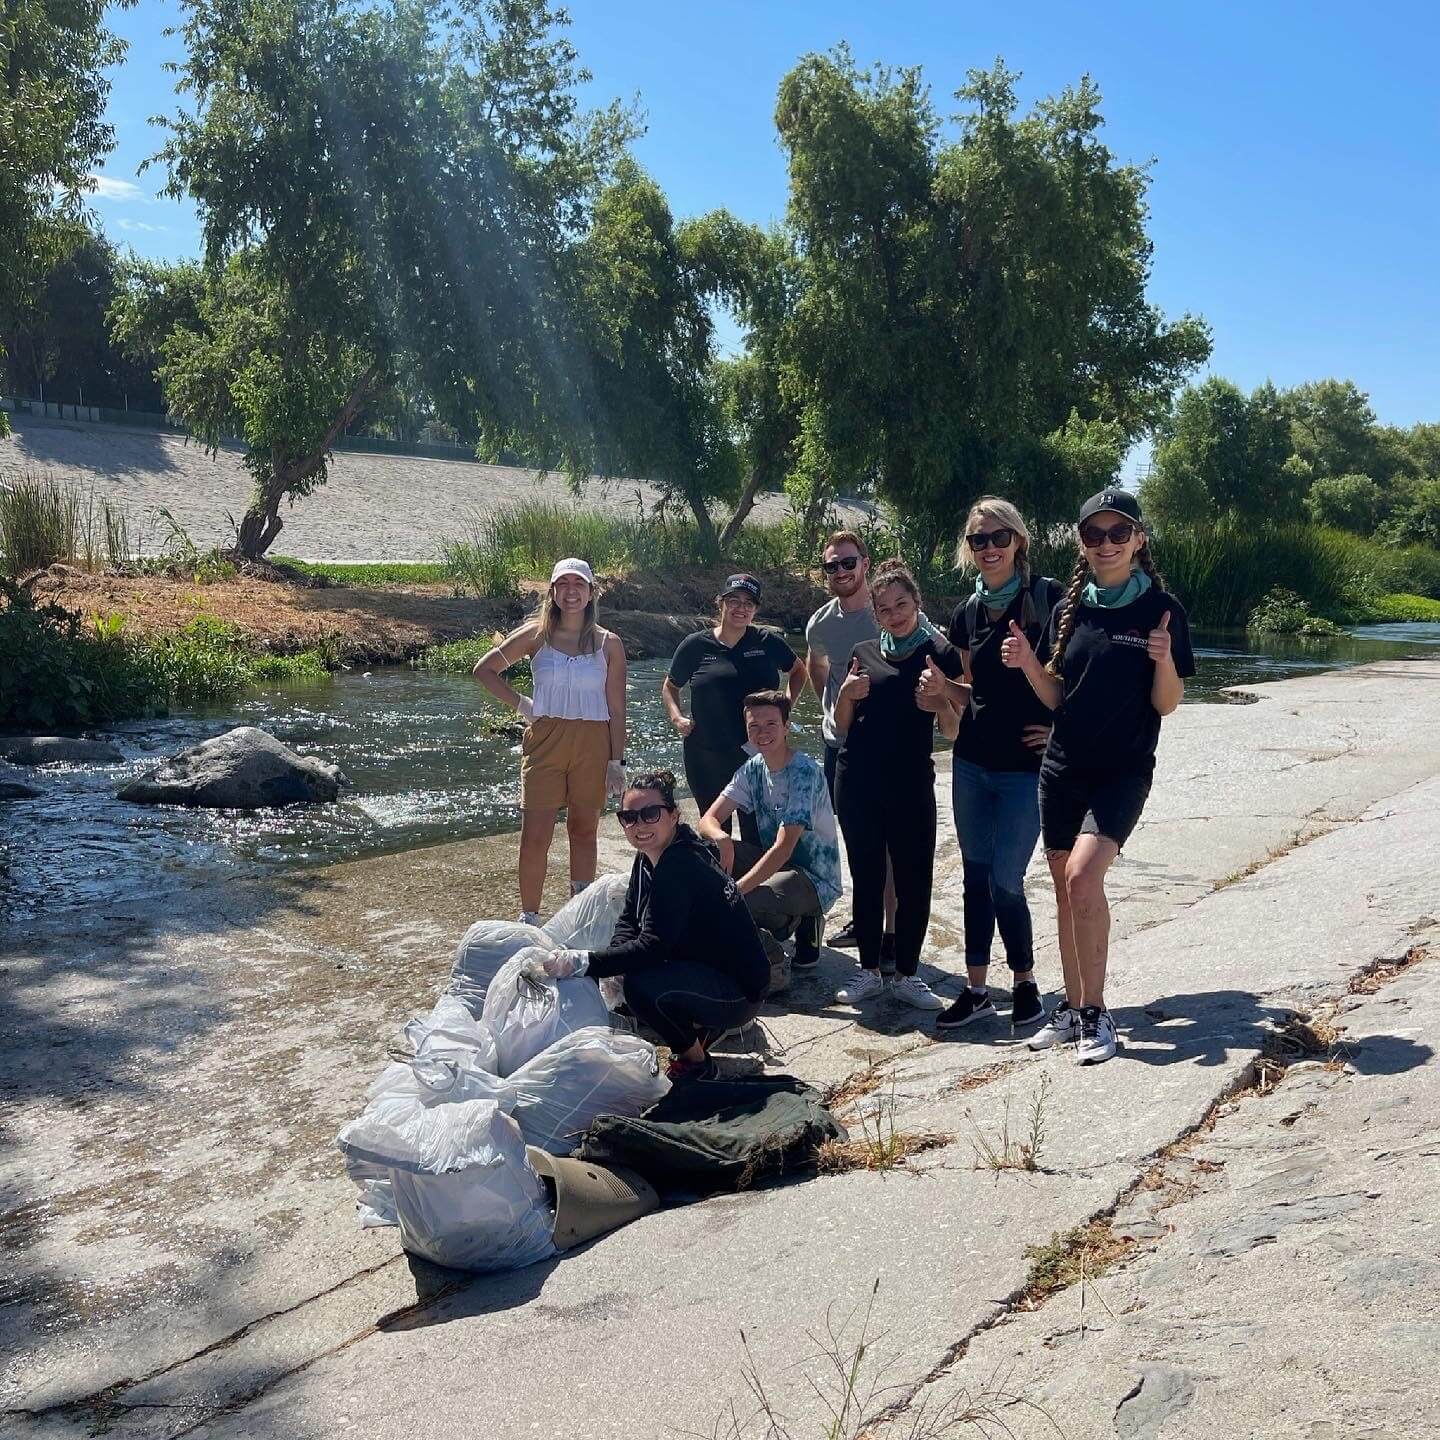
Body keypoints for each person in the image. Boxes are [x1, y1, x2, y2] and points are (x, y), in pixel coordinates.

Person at [1001, 488, 1195, 1064]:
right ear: (1081, 542)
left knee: (1084, 878)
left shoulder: (1161, 610)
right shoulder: (1071, 608)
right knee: (1064, 890)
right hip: (1062, 768)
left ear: (1138, 539)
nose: (1106, 544)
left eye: (1118, 533)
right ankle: (1073, 1007)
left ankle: (1096, 1014)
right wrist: (1031, 667)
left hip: (1123, 771)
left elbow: (1167, 705)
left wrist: (1162, 658)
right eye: (1094, 534)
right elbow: (1061, 699)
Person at [931, 498, 1064, 1034]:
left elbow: (1079, 675)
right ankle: (978, 988)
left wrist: (1061, 729)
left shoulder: (1048, 599)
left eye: (998, 537)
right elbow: (972, 691)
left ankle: (1026, 981)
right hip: (972, 763)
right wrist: (945, 691)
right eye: (977, 540)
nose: (988, 548)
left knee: (1007, 879)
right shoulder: (967, 612)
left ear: (1019, 541)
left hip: (1025, 769)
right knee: (975, 876)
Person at [542, 770, 770, 1083]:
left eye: (650, 814)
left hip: (741, 992)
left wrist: (587, 962)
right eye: (629, 817)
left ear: (673, 815)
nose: (640, 825)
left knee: (643, 989)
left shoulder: (680, 864)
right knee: (631, 975)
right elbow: (630, 918)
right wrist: (613, 960)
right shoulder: (650, 856)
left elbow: (653, 945)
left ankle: (698, 1064)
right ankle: (701, 1029)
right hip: (707, 966)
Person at [831, 559, 969, 1011]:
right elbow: (843, 724)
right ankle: (869, 970)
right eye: (886, 608)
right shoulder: (864, 650)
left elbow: (953, 730)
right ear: (875, 613)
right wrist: (845, 696)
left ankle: (909, 974)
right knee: (867, 875)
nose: (895, 614)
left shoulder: (939, 653)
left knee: (914, 879)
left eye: (902, 604)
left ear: (917, 603)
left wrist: (940, 698)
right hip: (858, 780)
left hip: (911, 782)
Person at [474, 558, 627, 926]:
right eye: (564, 584)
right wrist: (523, 705)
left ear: (591, 593)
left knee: (583, 829)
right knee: (535, 834)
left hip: (594, 740)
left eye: (579, 584)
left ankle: (580, 913)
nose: (571, 592)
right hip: (545, 740)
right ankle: (529, 916)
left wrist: (616, 762)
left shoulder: (609, 644)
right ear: (553, 592)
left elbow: (617, 707)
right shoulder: (534, 635)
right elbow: (485, 670)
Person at [697, 689, 842, 977]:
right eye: (754, 726)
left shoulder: (804, 773)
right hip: (776, 864)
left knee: (742, 905)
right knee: (705, 852)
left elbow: (783, 848)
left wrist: (735, 891)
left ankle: (801, 922)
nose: (762, 732)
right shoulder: (752, 769)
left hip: (812, 877)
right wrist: (721, 838)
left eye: (771, 724)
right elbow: (708, 819)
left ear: (787, 726)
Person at [804, 530, 896, 960]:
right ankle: (865, 921)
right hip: (838, 744)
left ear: (865, 563)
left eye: (847, 562)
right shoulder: (820, 622)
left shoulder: (888, 613)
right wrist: (834, 707)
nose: (840, 571)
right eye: (831, 565)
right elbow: (818, 667)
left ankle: (892, 931)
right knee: (857, 837)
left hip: (886, 744)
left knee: (891, 842)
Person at [663, 574, 805, 844]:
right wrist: (677, 717)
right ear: (721, 604)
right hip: (705, 755)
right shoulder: (695, 645)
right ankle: (719, 886)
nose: (741, 608)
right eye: (734, 601)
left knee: (757, 832)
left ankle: (755, 886)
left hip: (758, 752)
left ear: (756, 609)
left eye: (749, 603)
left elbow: (799, 670)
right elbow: (670, 686)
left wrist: (785, 707)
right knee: (715, 833)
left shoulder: (766, 641)